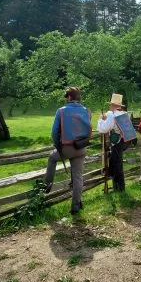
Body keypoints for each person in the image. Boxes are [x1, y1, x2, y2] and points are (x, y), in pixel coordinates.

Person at [44, 87, 92, 215]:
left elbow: (54, 132)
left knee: (52, 158)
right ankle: (75, 206)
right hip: (81, 148)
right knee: (77, 177)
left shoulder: (61, 111)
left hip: (67, 148)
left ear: (69, 97)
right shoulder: (87, 111)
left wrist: (58, 145)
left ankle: (47, 186)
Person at [97, 93, 134, 192]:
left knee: (117, 164)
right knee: (117, 163)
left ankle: (119, 188)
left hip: (117, 142)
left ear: (113, 105)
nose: (110, 106)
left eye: (111, 104)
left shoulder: (112, 114)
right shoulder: (124, 114)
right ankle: (118, 187)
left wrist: (100, 119)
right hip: (124, 141)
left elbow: (103, 129)